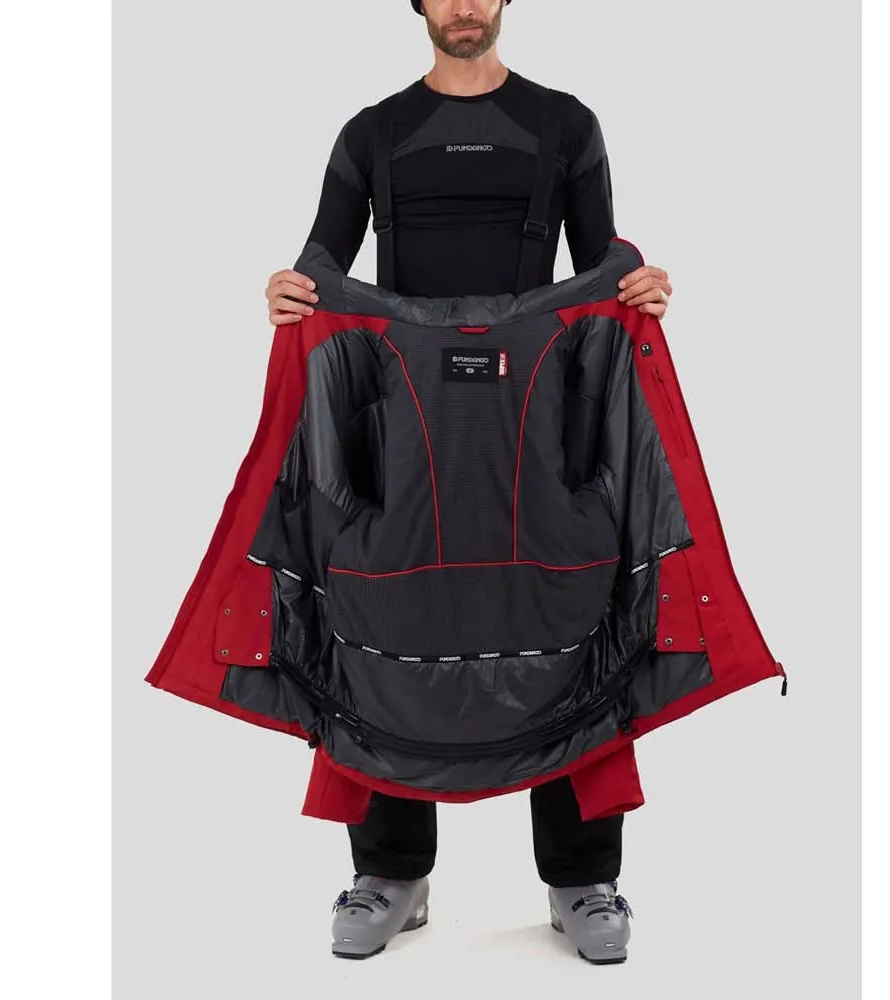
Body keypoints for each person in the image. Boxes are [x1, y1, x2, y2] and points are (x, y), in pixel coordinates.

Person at [264, 0, 673, 963]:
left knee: (569, 599)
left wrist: (638, 286)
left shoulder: (564, 123)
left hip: (537, 414)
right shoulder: (373, 133)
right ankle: (390, 871)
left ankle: (583, 877)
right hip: (401, 418)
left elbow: (602, 265)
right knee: (382, 611)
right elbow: (322, 261)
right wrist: (289, 289)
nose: (464, 5)